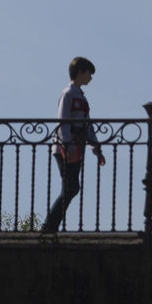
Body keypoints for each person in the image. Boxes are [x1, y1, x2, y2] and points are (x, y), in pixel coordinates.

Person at [40, 57, 106, 233]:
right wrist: (67, 146)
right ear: (80, 73)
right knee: (71, 187)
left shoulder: (81, 98)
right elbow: (63, 122)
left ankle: (51, 225)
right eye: (88, 74)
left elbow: (87, 126)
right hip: (66, 147)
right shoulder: (68, 94)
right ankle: (49, 225)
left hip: (76, 146)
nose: (90, 78)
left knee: (71, 187)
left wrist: (96, 149)